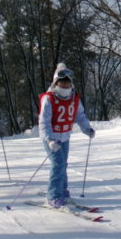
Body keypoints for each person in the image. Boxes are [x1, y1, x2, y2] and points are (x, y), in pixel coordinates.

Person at [38, 63, 95, 209]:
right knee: (58, 164)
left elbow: (80, 115)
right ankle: (53, 196)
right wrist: (50, 140)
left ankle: (62, 191)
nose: (65, 85)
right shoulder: (49, 98)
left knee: (63, 164)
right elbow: (44, 121)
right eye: (62, 82)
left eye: (67, 82)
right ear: (56, 83)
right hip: (52, 138)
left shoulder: (74, 98)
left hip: (65, 137)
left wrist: (87, 128)